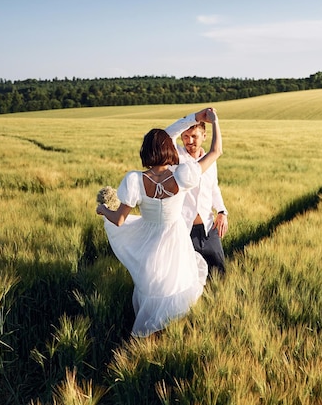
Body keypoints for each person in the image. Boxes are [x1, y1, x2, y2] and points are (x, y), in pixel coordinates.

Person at [96, 107, 222, 337]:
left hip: (148, 244)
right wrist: (213, 122)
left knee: (151, 289)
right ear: (169, 148)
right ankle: (169, 333)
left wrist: (103, 209)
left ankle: (148, 334)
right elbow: (216, 151)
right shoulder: (183, 175)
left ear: (146, 151)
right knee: (176, 288)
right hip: (177, 242)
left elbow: (119, 220)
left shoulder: (135, 180)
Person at [164, 120, 228, 277]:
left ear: (204, 136)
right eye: (185, 136)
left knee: (219, 274)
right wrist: (194, 117)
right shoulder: (176, 158)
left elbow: (214, 188)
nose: (189, 141)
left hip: (208, 228)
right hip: (184, 230)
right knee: (187, 277)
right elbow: (166, 135)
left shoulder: (210, 160)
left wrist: (221, 211)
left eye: (194, 136)